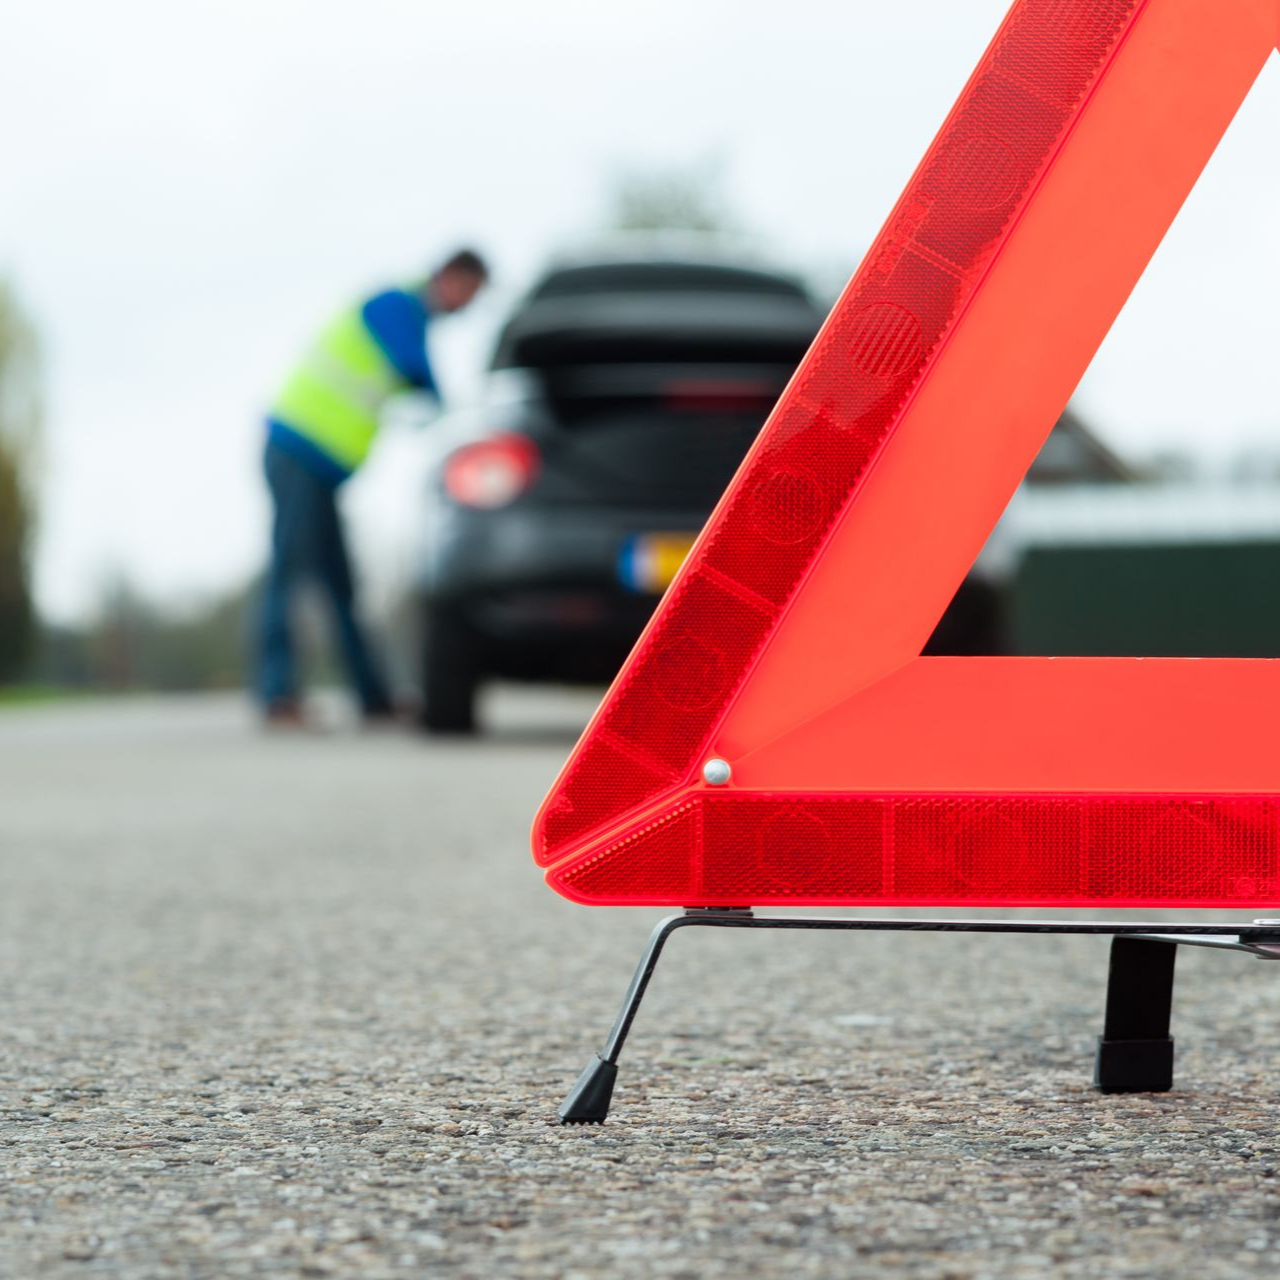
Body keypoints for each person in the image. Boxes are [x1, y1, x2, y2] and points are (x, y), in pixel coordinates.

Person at [256, 249, 488, 724]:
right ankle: (275, 694)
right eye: (470, 292)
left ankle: (372, 696)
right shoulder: (395, 304)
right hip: (296, 448)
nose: (467, 306)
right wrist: (458, 416)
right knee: (290, 570)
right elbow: (415, 368)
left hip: (318, 466)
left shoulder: (405, 314)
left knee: (340, 583)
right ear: (450, 276)